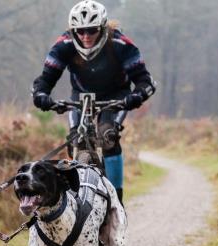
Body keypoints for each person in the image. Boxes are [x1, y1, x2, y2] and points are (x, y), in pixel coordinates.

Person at [32, 0, 156, 205]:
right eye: (79, 31)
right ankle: (77, 199)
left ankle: (117, 200)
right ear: (72, 31)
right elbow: (45, 79)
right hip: (81, 95)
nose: (85, 36)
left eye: (91, 30)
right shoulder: (64, 45)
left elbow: (146, 81)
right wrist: (41, 95)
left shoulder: (120, 44)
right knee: (75, 141)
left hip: (116, 95)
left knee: (108, 136)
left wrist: (136, 96)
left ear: (103, 27)